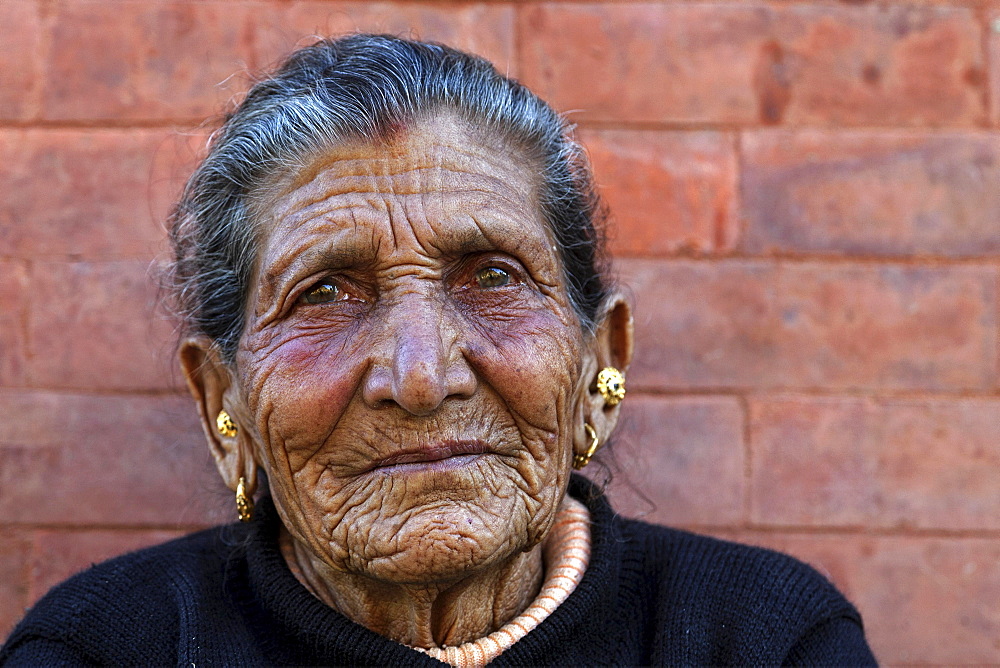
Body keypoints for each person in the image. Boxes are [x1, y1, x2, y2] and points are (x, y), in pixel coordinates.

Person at [0, 34, 876, 666]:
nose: (420, 378)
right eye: (326, 294)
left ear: (597, 368)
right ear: (221, 404)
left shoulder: (765, 638)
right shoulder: (100, 647)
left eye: (492, 278)